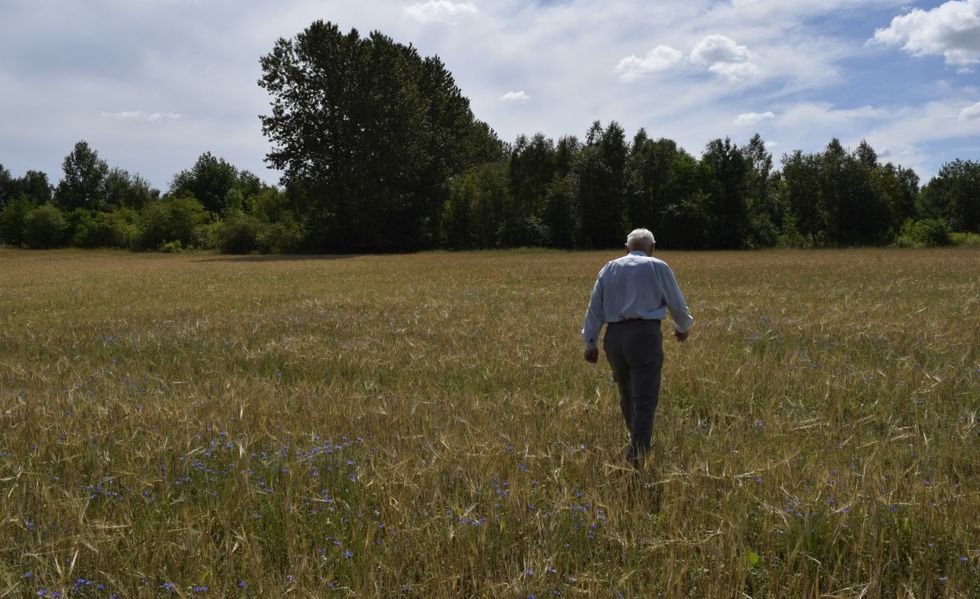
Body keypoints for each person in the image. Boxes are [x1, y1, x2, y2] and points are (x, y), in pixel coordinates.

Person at [582, 228, 694, 469]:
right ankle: (638, 456)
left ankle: (637, 441)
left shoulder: (609, 268)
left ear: (626, 248)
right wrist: (683, 326)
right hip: (644, 336)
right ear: (652, 248)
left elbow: (595, 307)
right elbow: (676, 302)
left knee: (627, 393)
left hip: (614, 338)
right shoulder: (658, 266)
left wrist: (590, 341)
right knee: (645, 398)